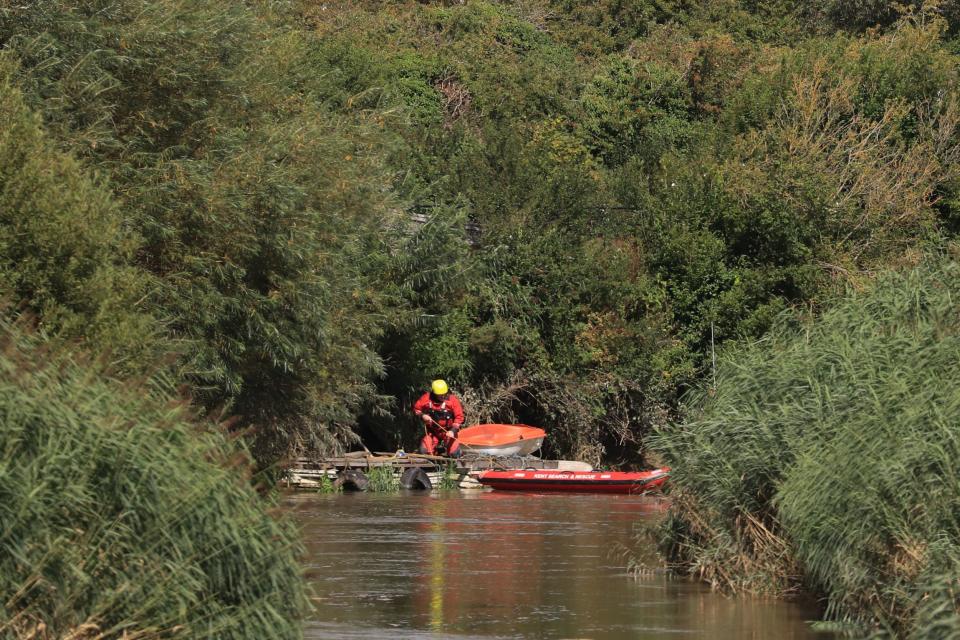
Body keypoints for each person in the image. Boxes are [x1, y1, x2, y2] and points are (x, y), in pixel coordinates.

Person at [412, 379, 464, 458]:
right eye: (440, 395)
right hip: (432, 432)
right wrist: (422, 415)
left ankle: (453, 456)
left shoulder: (452, 400)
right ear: (434, 393)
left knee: (454, 453)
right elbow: (416, 409)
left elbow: (459, 417)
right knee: (424, 451)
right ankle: (436, 454)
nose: (443, 396)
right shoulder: (426, 398)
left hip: (448, 431)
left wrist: (453, 431)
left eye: (444, 394)